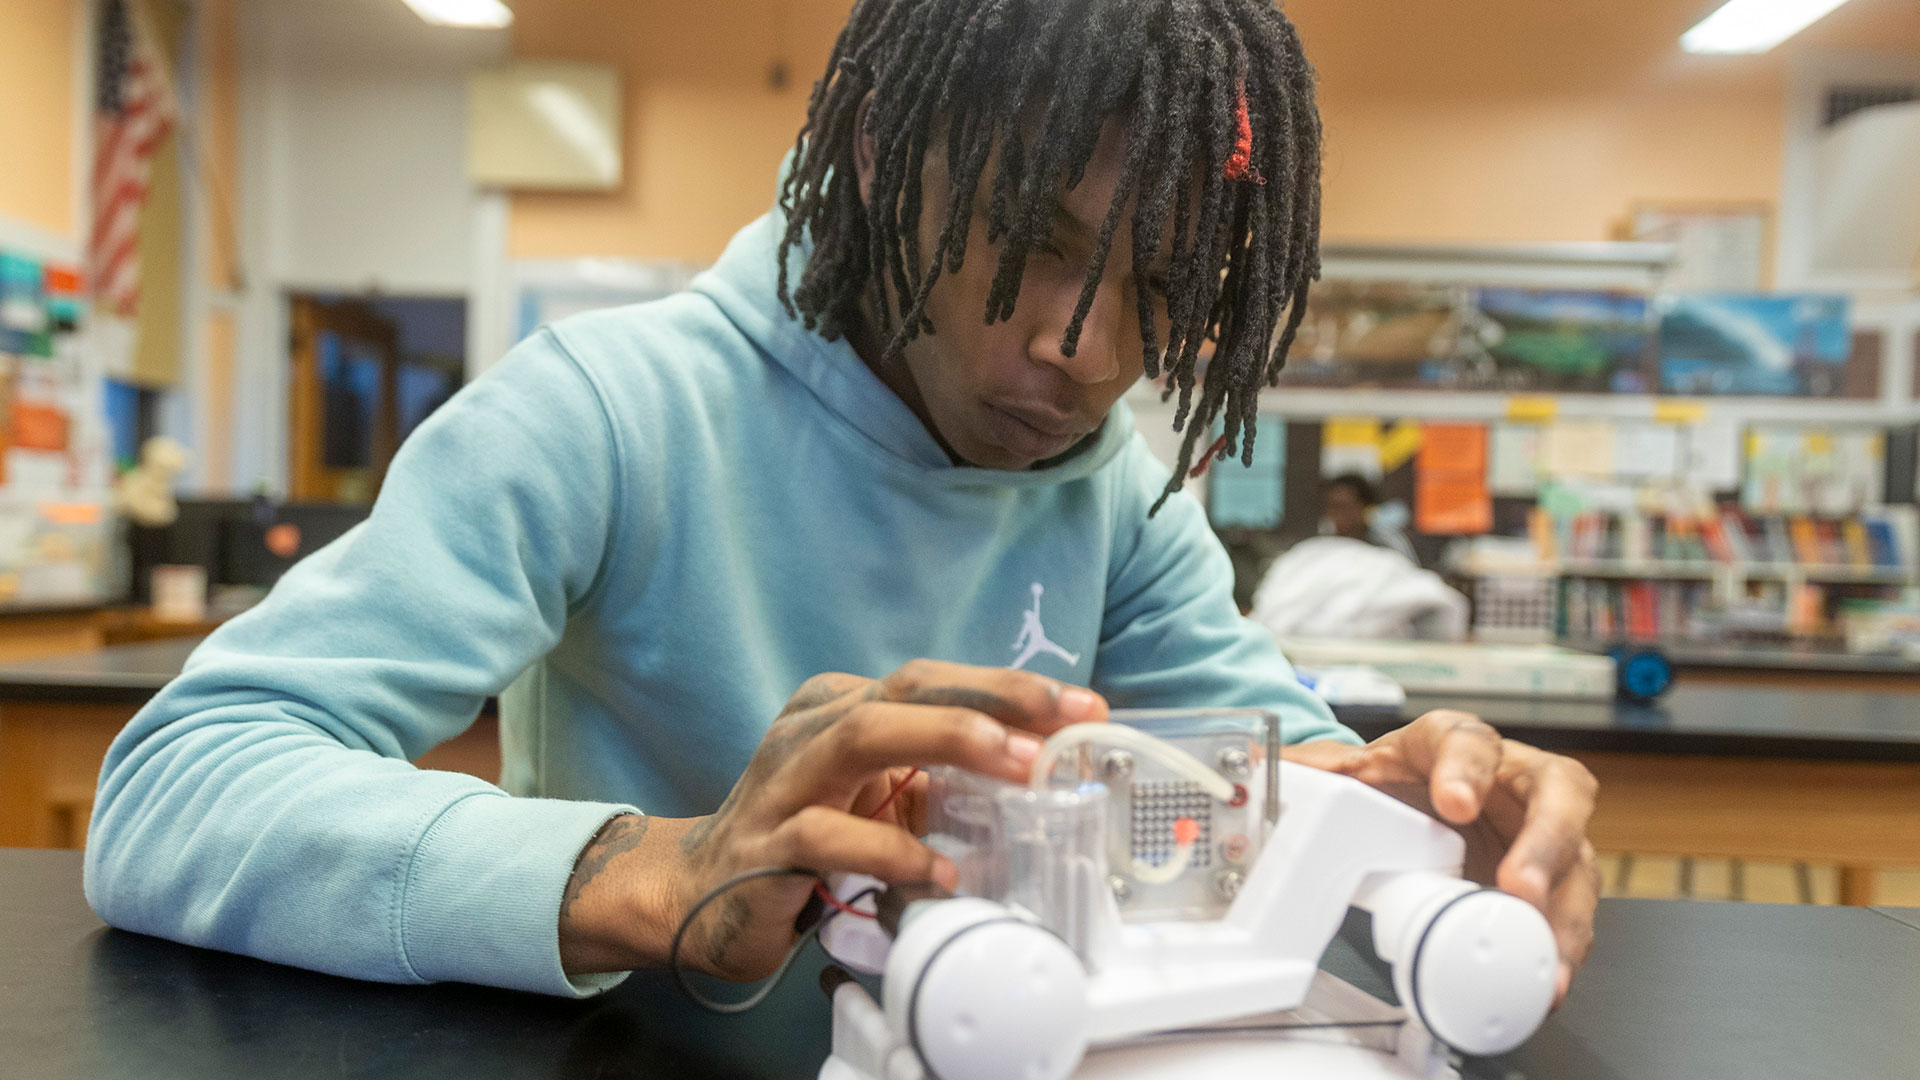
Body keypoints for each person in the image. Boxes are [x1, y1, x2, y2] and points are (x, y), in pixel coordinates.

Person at [85, 0, 1598, 1018]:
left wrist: (1398, 818)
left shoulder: (1118, 492)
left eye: (1163, 292)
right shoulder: (611, 413)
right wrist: (651, 874)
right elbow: (175, 790)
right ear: (879, 152)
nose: (1082, 351)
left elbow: (1261, 779)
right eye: (1023, 242)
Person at [1322, 472, 1420, 563]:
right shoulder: (1324, 545)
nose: (1338, 514)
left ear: (1364, 506)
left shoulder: (1386, 542)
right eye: (1332, 507)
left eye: (1344, 507)